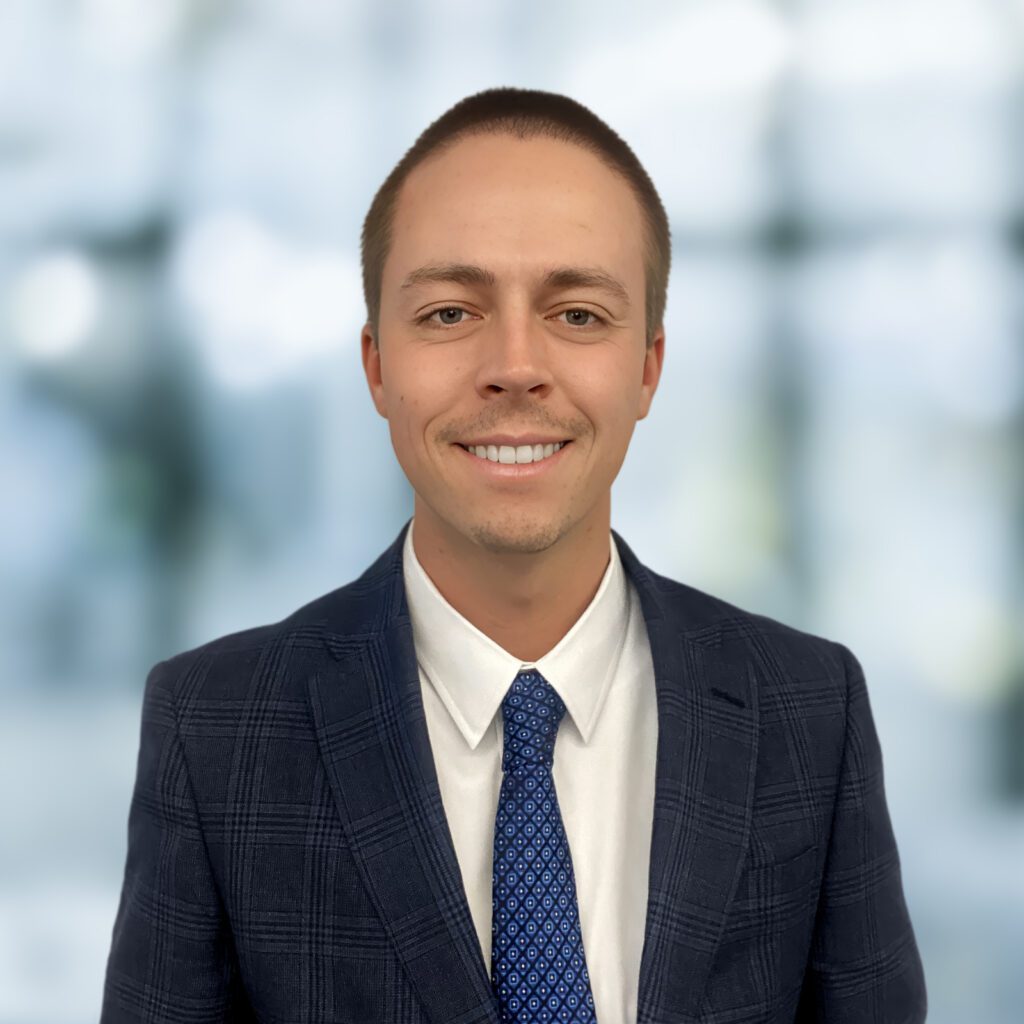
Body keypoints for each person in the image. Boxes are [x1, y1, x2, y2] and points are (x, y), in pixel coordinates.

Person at [101, 87, 926, 1024]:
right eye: (451, 313)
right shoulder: (215, 729)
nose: (516, 364)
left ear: (649, 365)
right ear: (376, 364)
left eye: (578, 315)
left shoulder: (811, 710)